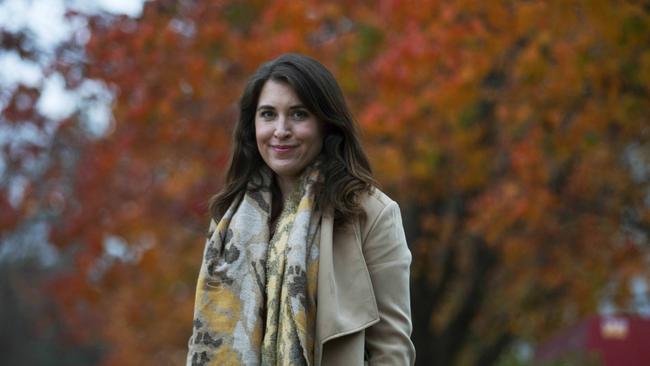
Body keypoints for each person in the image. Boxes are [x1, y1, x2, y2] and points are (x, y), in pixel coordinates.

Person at [187, 53, 415, 366]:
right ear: (252, 125)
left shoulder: (372, 214)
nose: (281, 130)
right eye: (268, 114)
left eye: (298, 114)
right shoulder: (228, 221)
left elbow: (392, 350)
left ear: (326, 123)